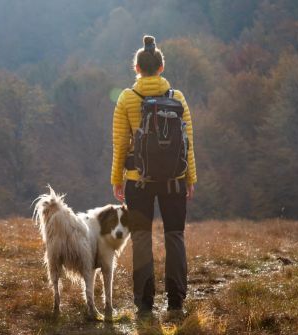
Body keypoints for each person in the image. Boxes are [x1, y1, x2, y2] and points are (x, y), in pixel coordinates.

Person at [110, 35, 197, 316]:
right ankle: (175, 303)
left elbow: (120, 144)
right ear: (161, 68)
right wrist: (190, 178)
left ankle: (144, 305)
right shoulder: (178, 98)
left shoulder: (126, 98)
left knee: (142, 240)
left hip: (138, 180)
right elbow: (188, 143)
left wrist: (116, 179)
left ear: (136, 68)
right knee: (175, 237)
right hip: (174, 179)